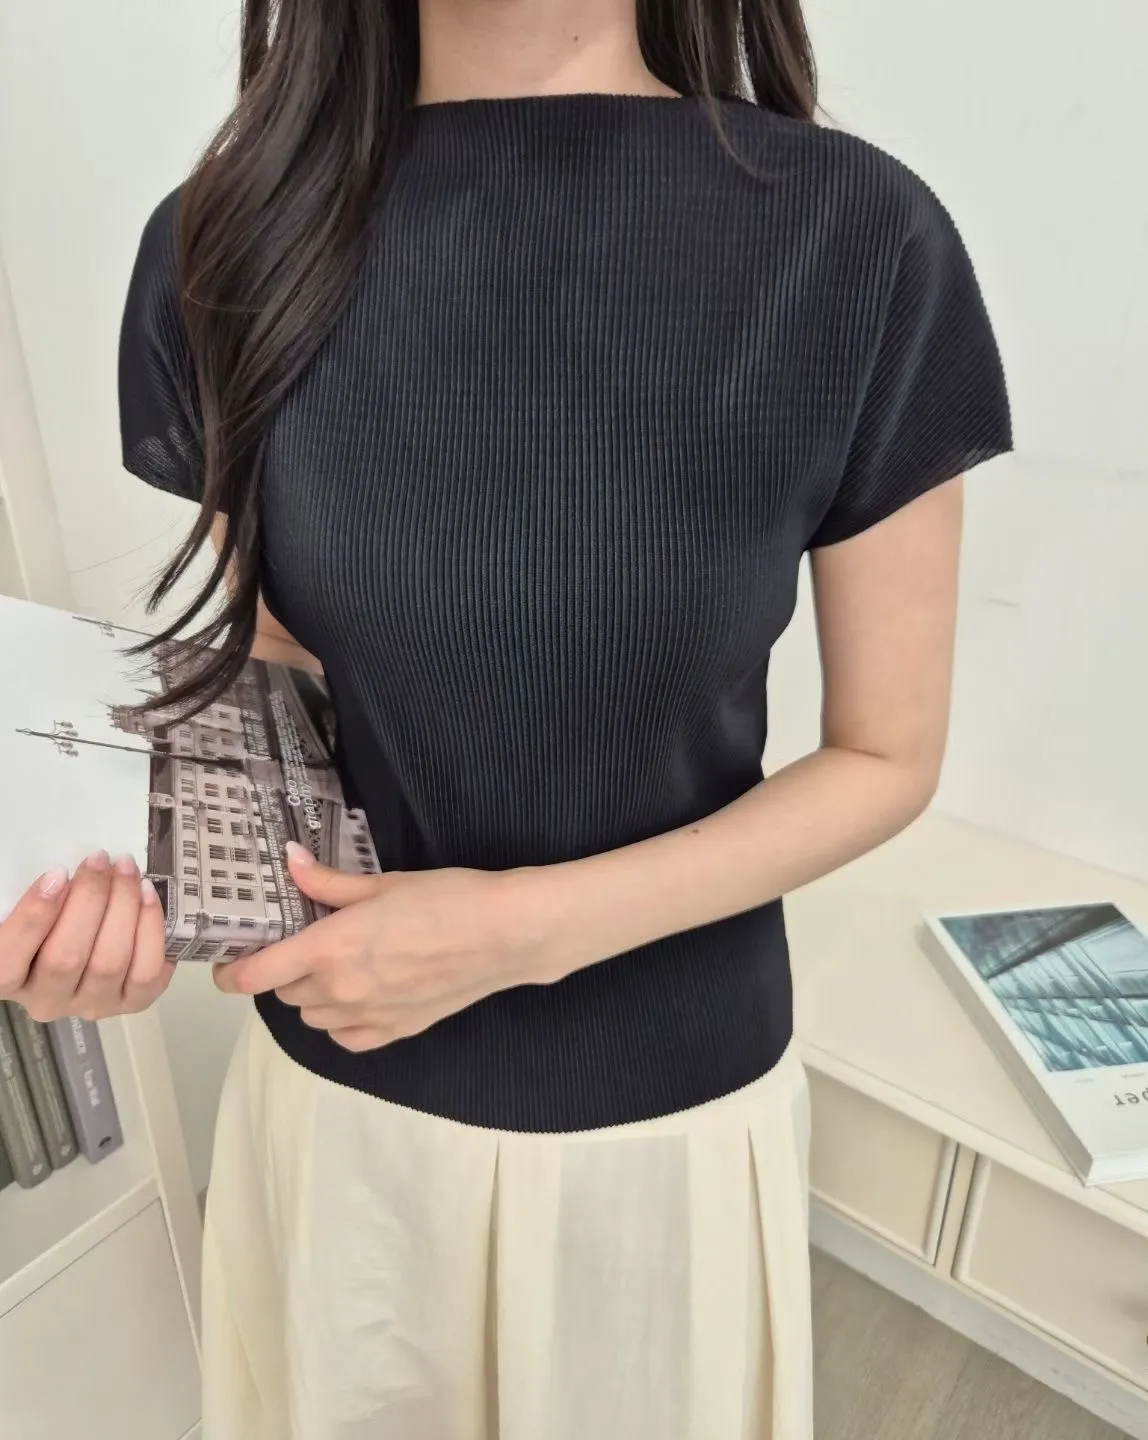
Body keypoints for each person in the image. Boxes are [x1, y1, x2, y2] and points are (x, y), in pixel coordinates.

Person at [0, 0, 1012, 1435]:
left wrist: (517, 933)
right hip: (344, 1119)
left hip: (662, 1133)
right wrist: (133, 895)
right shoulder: (221, 244)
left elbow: (884, 756)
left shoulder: (858, 240)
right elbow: (284, 675)